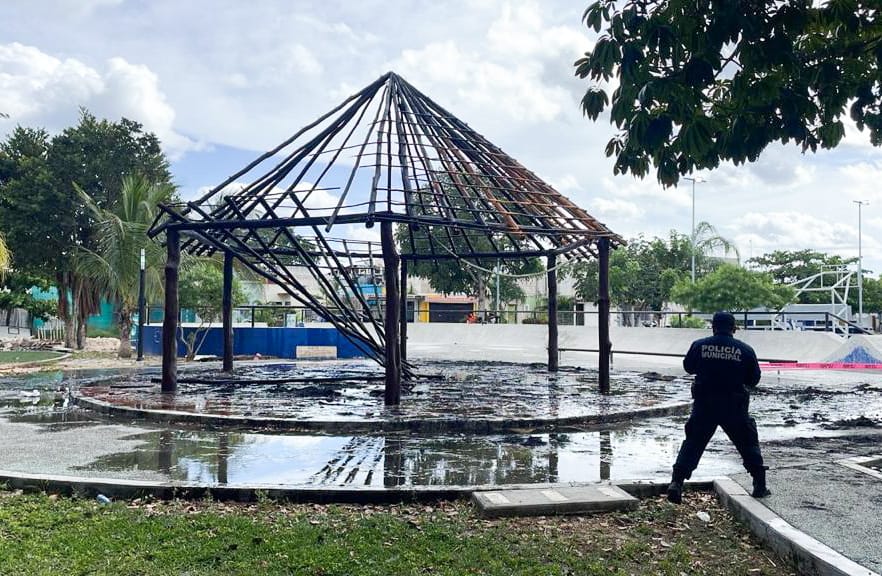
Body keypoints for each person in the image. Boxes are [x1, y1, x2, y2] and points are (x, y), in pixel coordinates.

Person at [667, 311, 770, 504]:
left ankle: (676, 483)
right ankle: (759, 485)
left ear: (713, 327)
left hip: (704, 404)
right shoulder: (745, 350)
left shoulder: (699, 345)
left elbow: (689, 367)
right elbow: (754, 379)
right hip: (734, 405)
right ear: (734, 329)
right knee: (747, 444)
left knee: (693, 443)